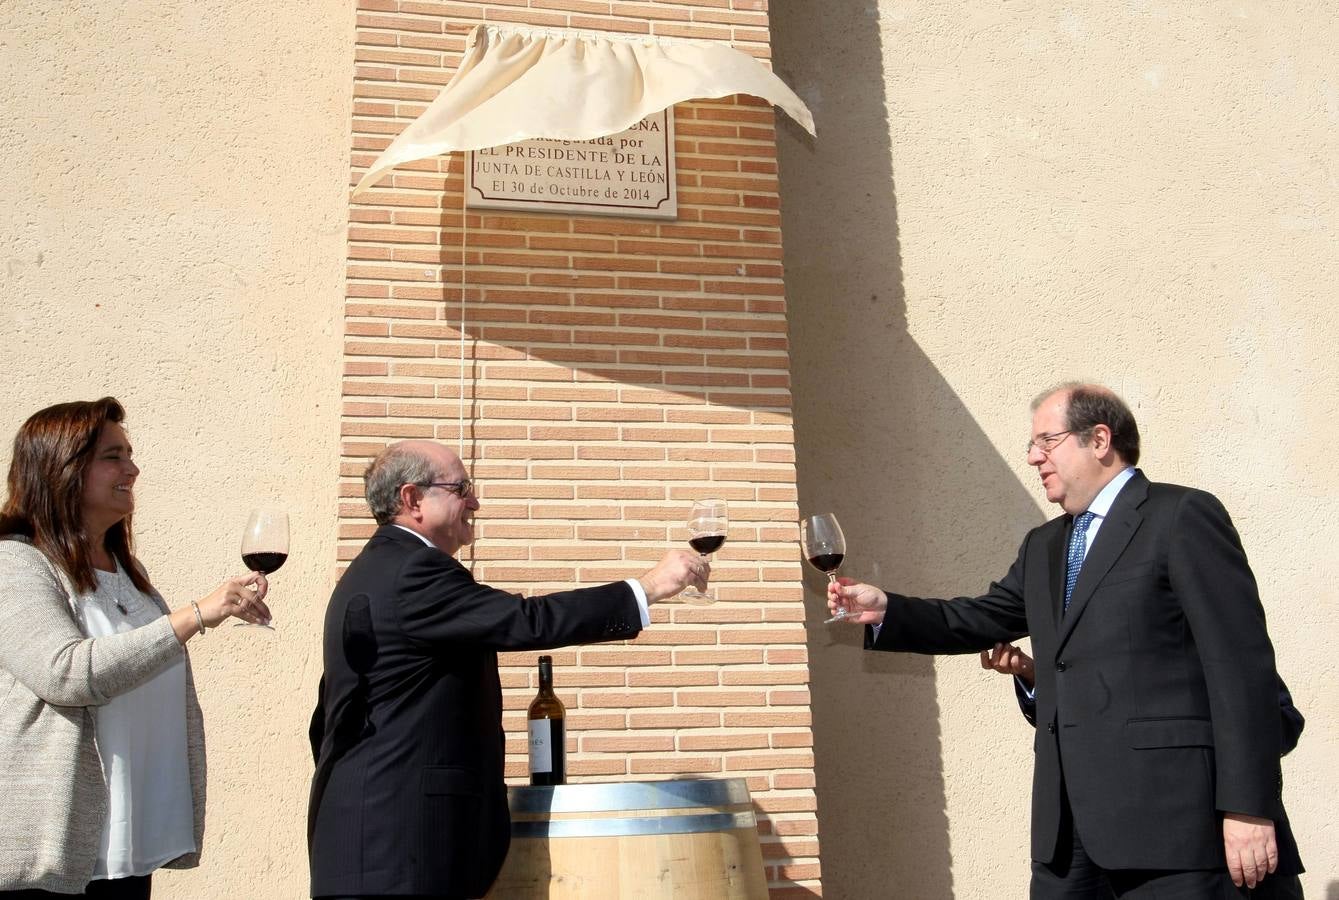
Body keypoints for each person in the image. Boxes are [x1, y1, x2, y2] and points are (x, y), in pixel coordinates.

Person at [828, 383, 1288, 897]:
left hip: (1176, 832)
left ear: (1099, 439)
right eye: (1032, 445)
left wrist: (1249, 807)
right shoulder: (1044, 546)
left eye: (1046, 441)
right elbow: (981, 617)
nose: (1032, 457)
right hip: (1067, 842)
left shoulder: (1180, 517)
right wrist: (887, 609)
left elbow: (1241, 670)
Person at [307, 440, 708, 900]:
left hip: (365, 853)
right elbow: (527, 620)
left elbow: (326, 723)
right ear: (412, 499)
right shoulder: (412, 571)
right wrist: (649, 587)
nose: (475, 501)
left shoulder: (365, 577)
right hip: (404, 854)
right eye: (461, 488)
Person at [0, 398, 272, 898]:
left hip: (130, 843)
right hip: (59, 855)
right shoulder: (17, 565)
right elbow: (64, 673)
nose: (133, 468)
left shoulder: (130, 572)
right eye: (113, 456)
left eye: (129, 453)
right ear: (61, 468)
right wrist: (192, 616)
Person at [980, 642, 1306, 898]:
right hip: (1092, 851)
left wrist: (1195, 731)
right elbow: (1084, 725)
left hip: (1209, 847)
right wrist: (1034, 677)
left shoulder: (1216, 633)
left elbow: (1284, 722)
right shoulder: (1091, 645)